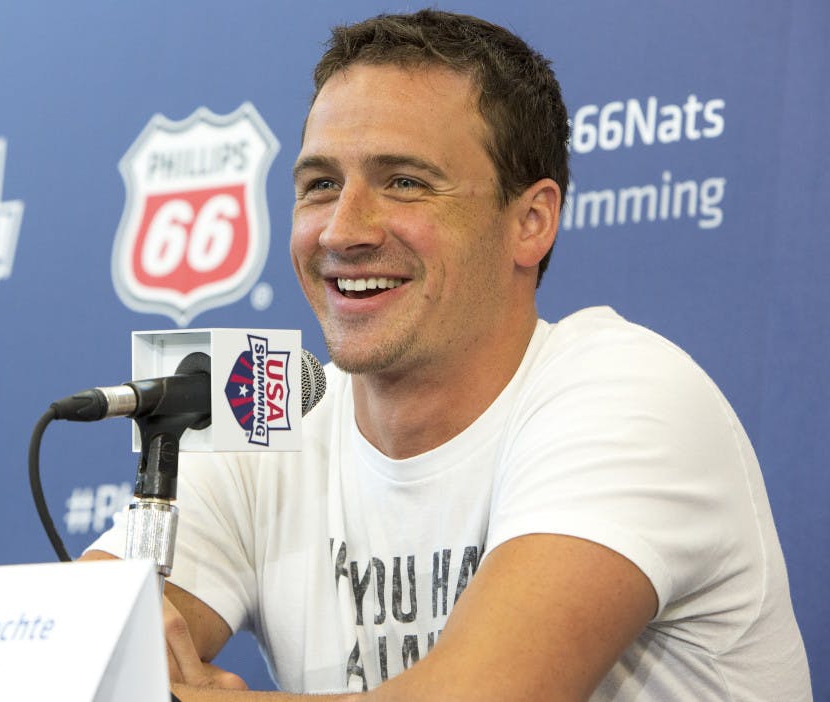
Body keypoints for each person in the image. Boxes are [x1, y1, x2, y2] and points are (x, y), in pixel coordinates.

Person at [83, 9, 812, 701]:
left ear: (531, 221)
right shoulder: (271, 415)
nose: (343, 229)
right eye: (320, 185)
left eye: (404, 182)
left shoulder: (629, 393)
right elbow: (82, 658)